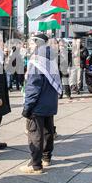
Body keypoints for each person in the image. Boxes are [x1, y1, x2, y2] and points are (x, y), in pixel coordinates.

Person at [21, 33, 61, 174]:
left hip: (38, 103)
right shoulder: (51, 56)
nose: (29, 45)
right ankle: (46, 158)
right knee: (48, 131)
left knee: (35, 133)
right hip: (50, 101)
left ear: (37, 43)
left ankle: (35, 165)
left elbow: (33, 85)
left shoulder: (37, 59)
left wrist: (28, 107)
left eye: (31, 43)